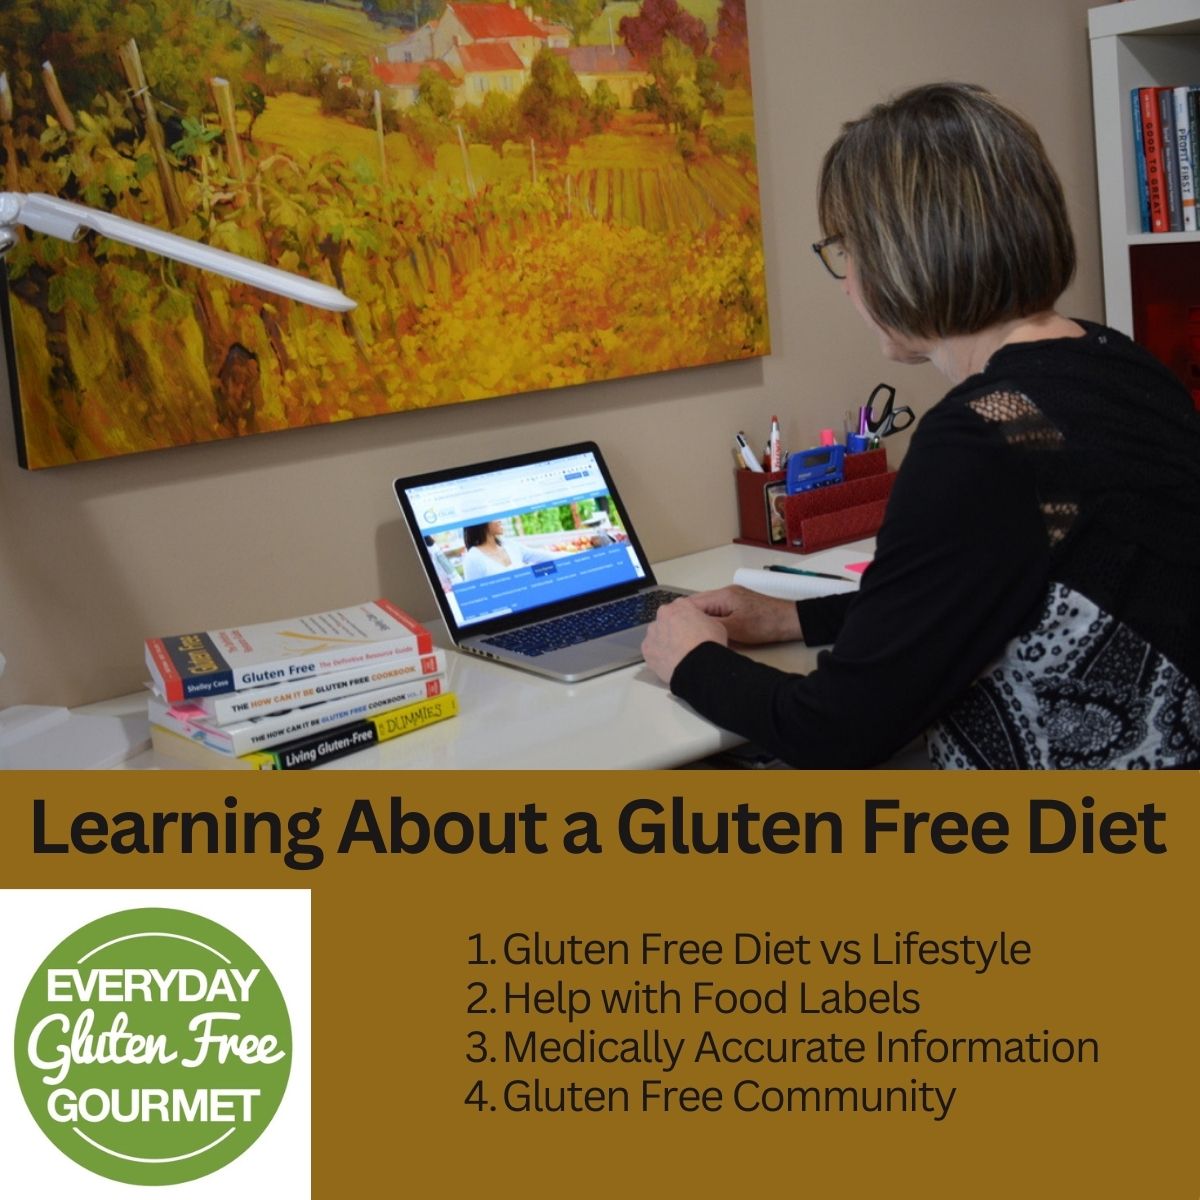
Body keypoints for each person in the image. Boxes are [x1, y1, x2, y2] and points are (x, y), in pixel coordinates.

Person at [642, 82, 1200, 769]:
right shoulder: (1117, 363)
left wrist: (690, 660)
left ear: (908, 251)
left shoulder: (975, 441)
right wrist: (795, 618)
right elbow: (979, 592)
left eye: (848, 250)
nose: (846, 283)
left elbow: (838, 731)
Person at [461, 520, 551, 581]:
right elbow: (475, 597)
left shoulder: (510, 545)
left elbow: (543, 556)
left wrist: (565, 557)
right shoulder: (473, 558)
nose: (500, 520)